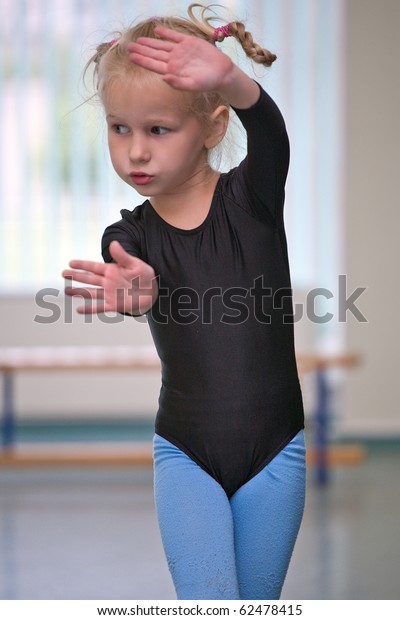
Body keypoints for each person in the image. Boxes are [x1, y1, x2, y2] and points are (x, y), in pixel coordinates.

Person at [62, 3, 306, 600]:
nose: (136, 152)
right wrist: (135, 293)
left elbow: (271, 132)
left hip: (277, 451)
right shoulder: (133, 234)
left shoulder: (251, 198)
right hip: (185, 453)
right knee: (208, 603)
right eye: (120, 128)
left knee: (258, 605)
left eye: (157, 130)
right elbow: (122, 258)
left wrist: (230, 79)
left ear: (214, 128)